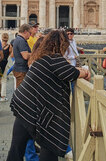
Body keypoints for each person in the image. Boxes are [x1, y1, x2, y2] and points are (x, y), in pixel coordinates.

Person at [6, 30, 91, 161]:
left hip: (23, 105)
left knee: (17, 148)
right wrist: (85, 72)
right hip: (35, 109)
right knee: (50, 143)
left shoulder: (42, 58)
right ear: (61, 45)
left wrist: (79, 70)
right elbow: (71, 73)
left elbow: (67, 70)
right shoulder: (54, 59)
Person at [0, 33, 11, 102]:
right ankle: (3, 96)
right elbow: (9, 54)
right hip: (4, 64)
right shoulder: (9, 46)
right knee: (4, 80)